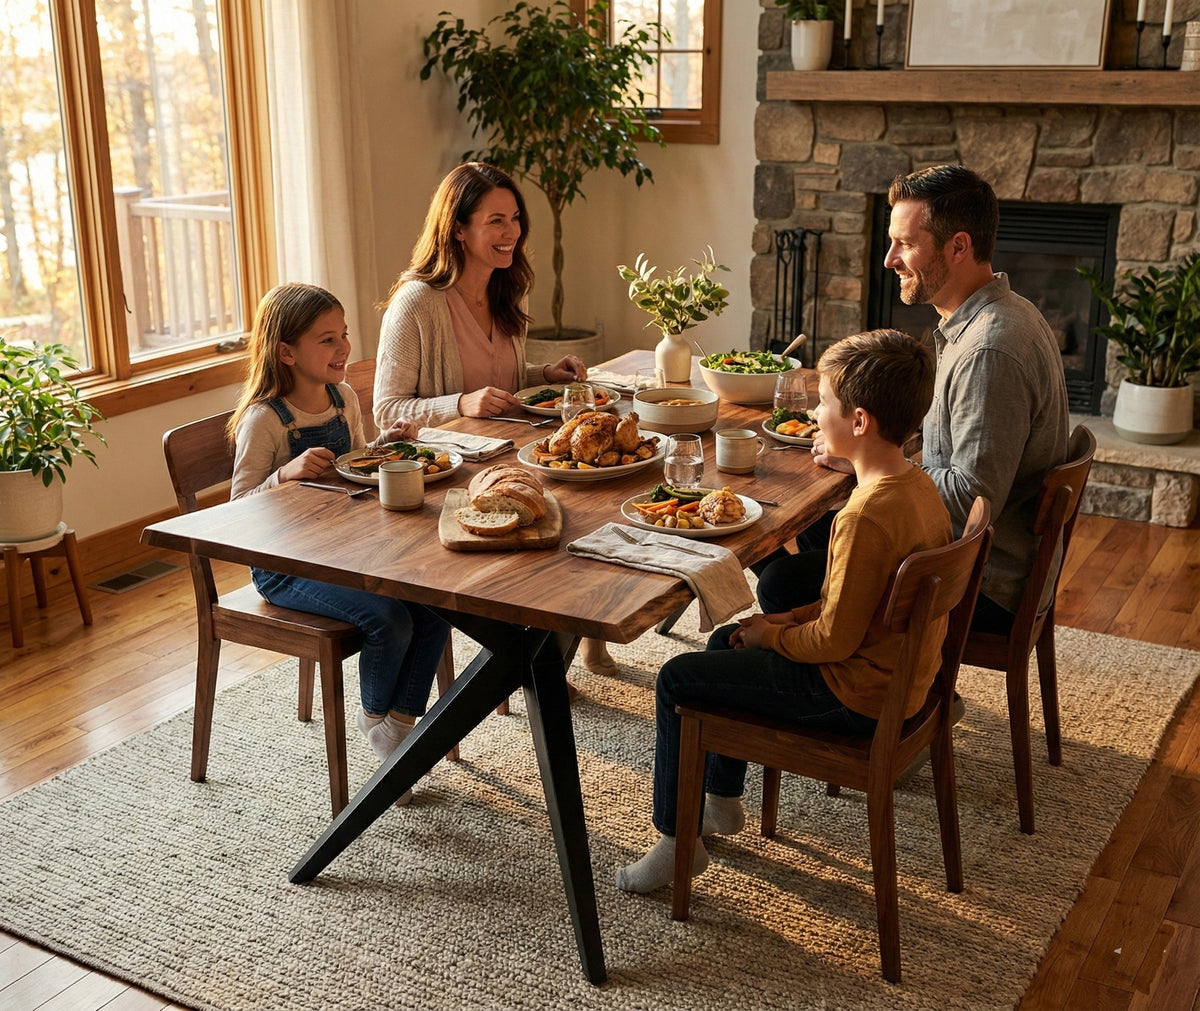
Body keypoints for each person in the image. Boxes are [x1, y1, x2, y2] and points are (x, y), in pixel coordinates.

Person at [616, 329, 952, 894]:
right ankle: (721, 802)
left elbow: (833, 643)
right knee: (727, 640)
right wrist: (778, 621)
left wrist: (773, 639)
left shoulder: (864, 516)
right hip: (894, 680)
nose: (816, 412)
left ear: (860, 422)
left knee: (676, 678)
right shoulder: (917, 489)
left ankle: (677, 844)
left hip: (849, 697)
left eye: (823, 403)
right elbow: (855, 605)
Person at [755, 164, 1070, 637]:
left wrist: (886, 469)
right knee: (819, 522)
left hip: (977, 581)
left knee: (783, 579)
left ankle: (860, 693)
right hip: (971, 552)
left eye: (906, 243)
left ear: (958, 246)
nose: (889, 260)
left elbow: (970, 498)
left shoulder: (989, 350)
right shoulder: (999, 313)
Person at [374, 160, 615, 675]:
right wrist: (458, 403)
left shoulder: (509, 287)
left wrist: (545, 371)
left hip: (510, 455)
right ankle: (537, 666)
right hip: (450, 477)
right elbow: (387, 410)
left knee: (597, 498)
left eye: (515, 218)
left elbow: (500, 377)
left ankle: (582, 635)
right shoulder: (416, 303)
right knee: (566, 518)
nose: (512, 234)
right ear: (458, 229)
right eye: (496, 221)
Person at [228, 282, 451, 803]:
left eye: (344, 335)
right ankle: (377, 721)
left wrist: (383, 446)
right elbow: (235, 513)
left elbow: (355, 468)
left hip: (345, 552)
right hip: (283, 567)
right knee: (389, 619)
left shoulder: (342, 398)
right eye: (327, 340)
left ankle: (398, 725)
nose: (344, 348)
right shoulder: (266, 420)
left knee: (438, 604)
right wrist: (283, 475)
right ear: (286, 352)